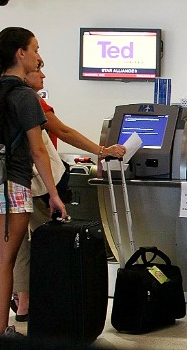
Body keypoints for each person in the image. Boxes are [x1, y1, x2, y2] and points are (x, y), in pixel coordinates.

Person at [9, 60, 127, 322]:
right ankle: (56, 298)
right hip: (37, 184)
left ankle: (23, 302)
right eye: (38, 68)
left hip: (8, 183)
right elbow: (62, 131)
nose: (43, 74)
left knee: (16, 246)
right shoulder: (30, 100)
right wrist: (102, 151)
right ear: (24, 73)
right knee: (54, 239)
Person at [0, 27, 66, 337]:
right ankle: (1, 334)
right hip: (10, 184)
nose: (39, 57)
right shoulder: (23, 95)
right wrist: (53, 194)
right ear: (20, 54)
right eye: (35, 49)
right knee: (4, 262)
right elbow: (38, 150)